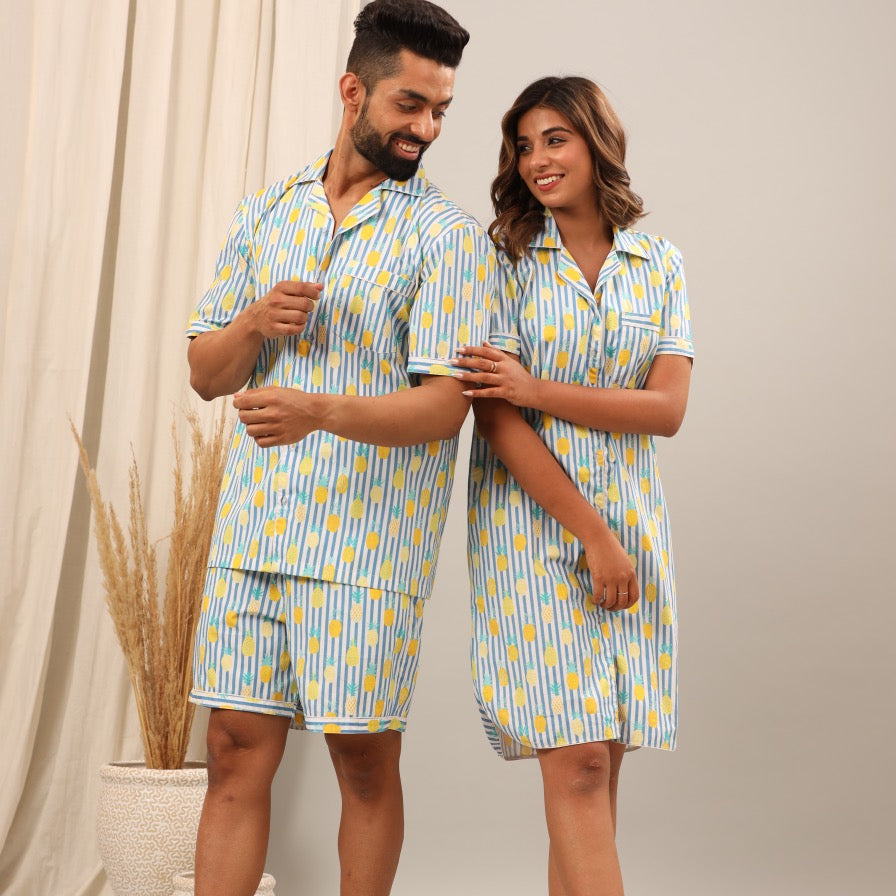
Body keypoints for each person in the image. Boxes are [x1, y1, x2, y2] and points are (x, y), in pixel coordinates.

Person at [184, 3, 490, 895]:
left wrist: (320, 410)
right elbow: (207, 373)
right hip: (253, 538)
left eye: (439, 111)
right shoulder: (267, 211)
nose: (425, 128)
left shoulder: (446, 238)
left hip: (365, 549)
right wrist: (251, 323)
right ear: (352, 88)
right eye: (409, 104)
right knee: (233, 751)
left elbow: (443, 410)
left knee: (362, 761)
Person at [453, 76, 693, 896]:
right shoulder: (502, 265)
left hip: (633, 531)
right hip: (534, 534)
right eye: (523, 145)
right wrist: (591, 534)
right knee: (581, 763)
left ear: (596, 141)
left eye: (554, 138)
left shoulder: (659, 264)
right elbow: (495, 418)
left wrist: (539, 388)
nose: (536, 160)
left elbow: (665, 409)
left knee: (596, 772)